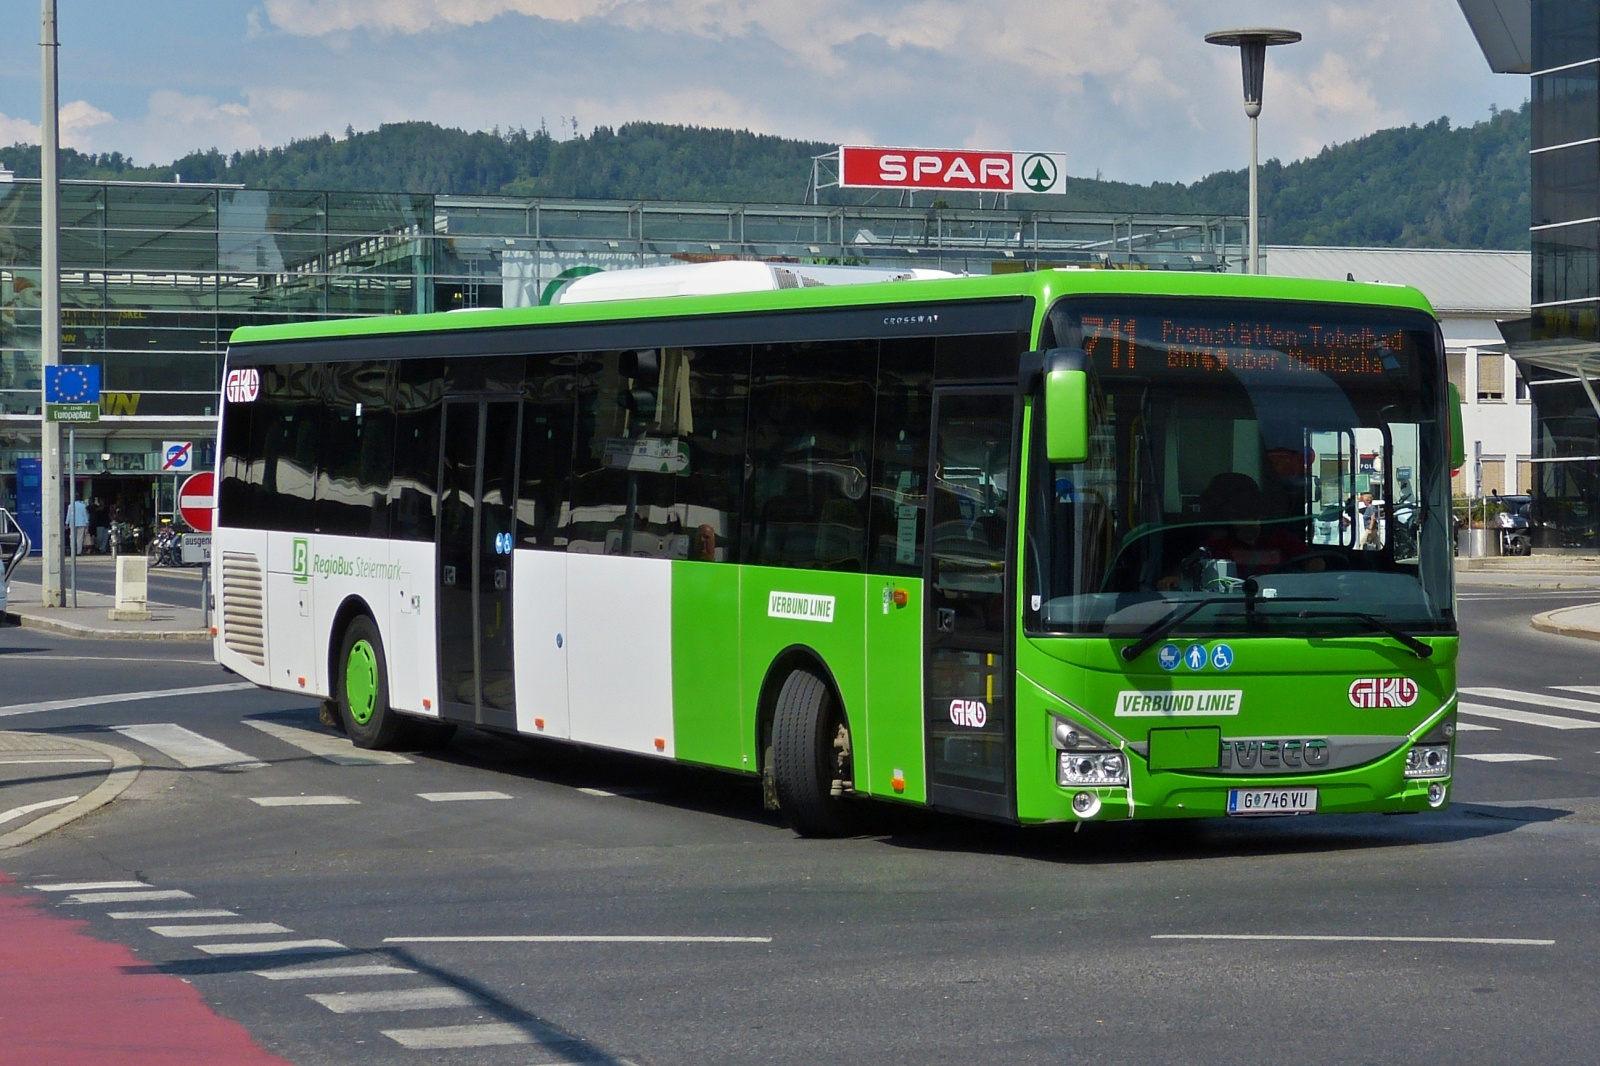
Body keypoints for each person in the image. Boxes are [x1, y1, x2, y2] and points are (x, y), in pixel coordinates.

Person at [1196, 472, 1321, 578]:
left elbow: (1317, 563)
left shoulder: (1280, 539)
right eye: (1239, 514)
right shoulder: (1212, 547)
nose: (1247, 520)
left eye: (1252, 511)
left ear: (1261, 511)